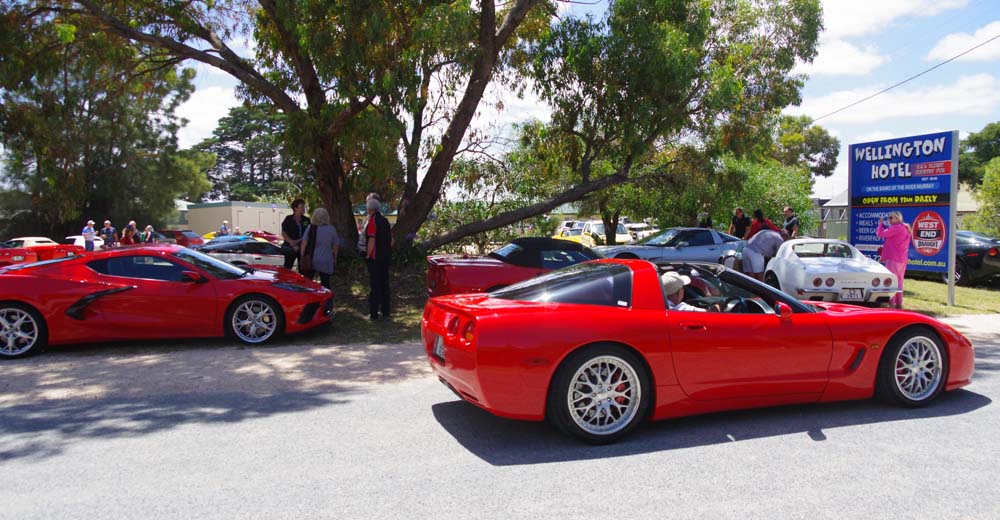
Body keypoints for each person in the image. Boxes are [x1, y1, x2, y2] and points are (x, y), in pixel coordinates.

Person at [876, 211, 912, 309]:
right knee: (899, 281)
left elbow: (880, 233)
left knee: (892, 280)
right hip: (902, 259)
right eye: (889, 217)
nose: (889, 220)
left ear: (897, 218)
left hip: (893, 258)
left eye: (891, 218)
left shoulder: (896, 228)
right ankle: (899, 303)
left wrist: (880, 224)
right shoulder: (905, 228)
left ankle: (892, 303)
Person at [299, 207, 340, 292]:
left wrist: (302, 256)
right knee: (325, 283)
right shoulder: (331, 229)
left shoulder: (311, 228)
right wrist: (335, 258)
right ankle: (326, 298)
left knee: (308, 282)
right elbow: (336, 245)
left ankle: (310, 298)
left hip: (312, 259)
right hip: (326, 260)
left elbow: (304, 243)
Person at [365, 197, 392, 320]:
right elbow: (391, 240)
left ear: (370, 209)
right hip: (385, 257)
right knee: (385, 284)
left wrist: (367, 255)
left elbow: (371, 239)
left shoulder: (373, 221)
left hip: (375, 258)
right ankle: (386, 311)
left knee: (375, 285)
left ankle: (374, 313)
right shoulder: (385, 221)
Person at [280, 199, 311, 270]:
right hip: (290, 247)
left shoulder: (306, 220)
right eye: (301, 207)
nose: (304, 209)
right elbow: (283, 232)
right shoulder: (288, 219)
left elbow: (308, 233)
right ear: (295, 208)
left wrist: (299, 241)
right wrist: (291, 242)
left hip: (303, 248)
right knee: (287, 268)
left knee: (303, 269)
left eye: (304, 207)